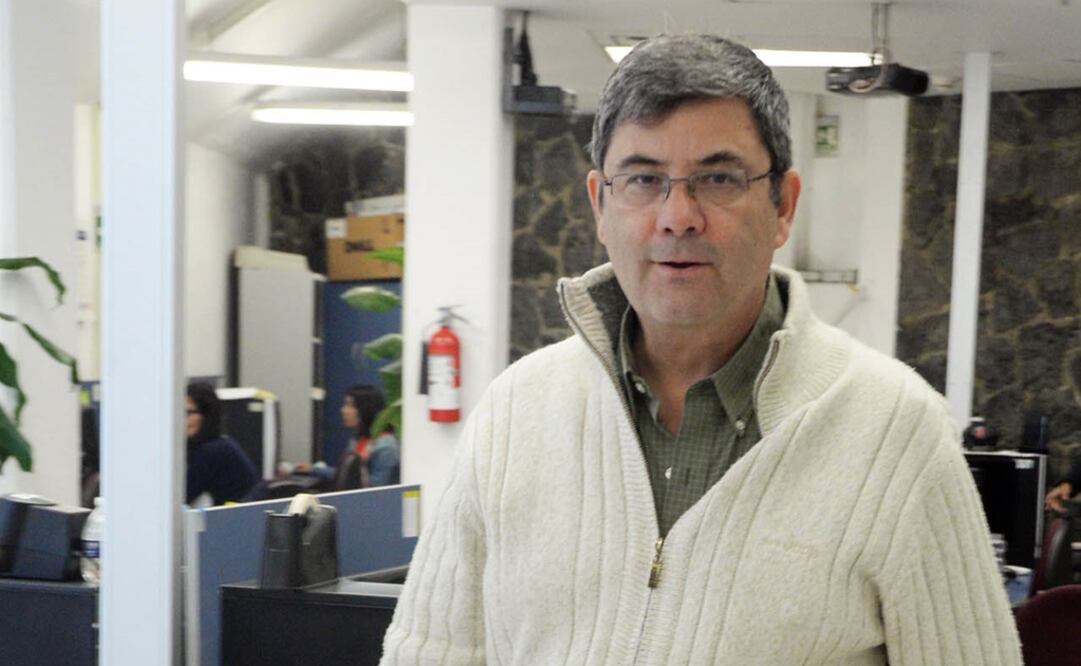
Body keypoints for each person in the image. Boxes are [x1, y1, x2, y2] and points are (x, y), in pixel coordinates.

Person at [381, 34, 1020, 664]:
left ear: (783, 207)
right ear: (600, 206)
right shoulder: (516, 413)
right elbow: (429, 652)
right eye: (642, 179)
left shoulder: (895, 431)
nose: (678, 216)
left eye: (718, 177)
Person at [185, 382, 259, 506]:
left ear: (206, 416)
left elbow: (179, 498)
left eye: (188, 413)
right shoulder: (222, 444)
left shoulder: (212, 452)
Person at [342, 384, 400, 487]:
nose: (344, 410)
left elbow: (376, 487)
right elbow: (346, 473)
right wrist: (315, 469)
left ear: (366, 410)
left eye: (350, 406)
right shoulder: (358, 438)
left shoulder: (386, 446)